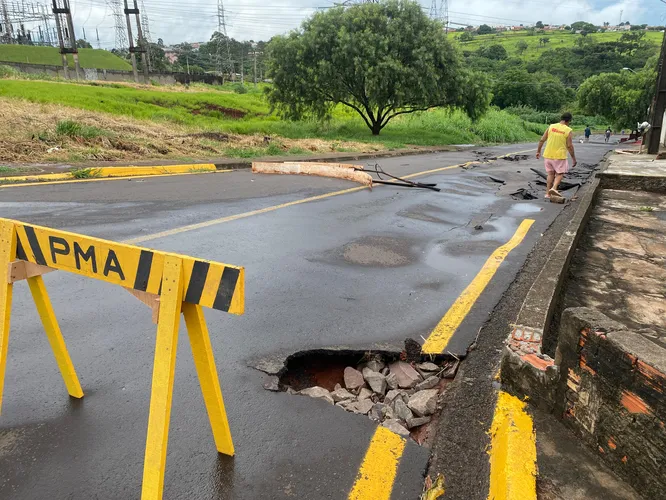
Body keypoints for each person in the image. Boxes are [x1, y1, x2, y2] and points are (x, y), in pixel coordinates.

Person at [536, 112, 577, 199]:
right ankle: (554, 188)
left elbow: (542, 139)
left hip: (547, 155)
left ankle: (547, 193)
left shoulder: (551, 126)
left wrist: (538, 151)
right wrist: (573, 158)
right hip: (559, 156)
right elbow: (569, 146)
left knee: (550, 174)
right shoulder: (568, 130)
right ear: (569, 121)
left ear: (561, 118)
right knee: (560, 173)